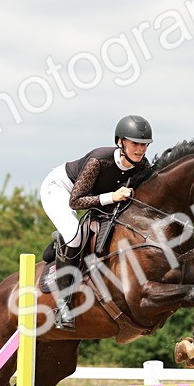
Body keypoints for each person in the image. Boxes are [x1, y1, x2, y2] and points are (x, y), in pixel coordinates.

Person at [39, 114, 153, 329]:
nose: (141, 149)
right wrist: (112, 196)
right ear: (120, 142)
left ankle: (60, 244)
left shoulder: (142, 166)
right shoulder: (99, 160)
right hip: (61, 189)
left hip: (92, 197)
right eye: (135, 143)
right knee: (74, 233)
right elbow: (76, 201)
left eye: (145, 145)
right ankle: (64, 305)